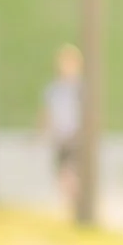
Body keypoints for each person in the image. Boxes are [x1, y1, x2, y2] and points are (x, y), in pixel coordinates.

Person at [40, 44, 83, 218]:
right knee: (62, 173)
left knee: (70, 171)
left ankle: (76, 203)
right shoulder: (54, 89)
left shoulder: (81, 88)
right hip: (60, 137)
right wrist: (42, 132)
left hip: (75, 135)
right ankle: (71, 204)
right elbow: (46, 112)